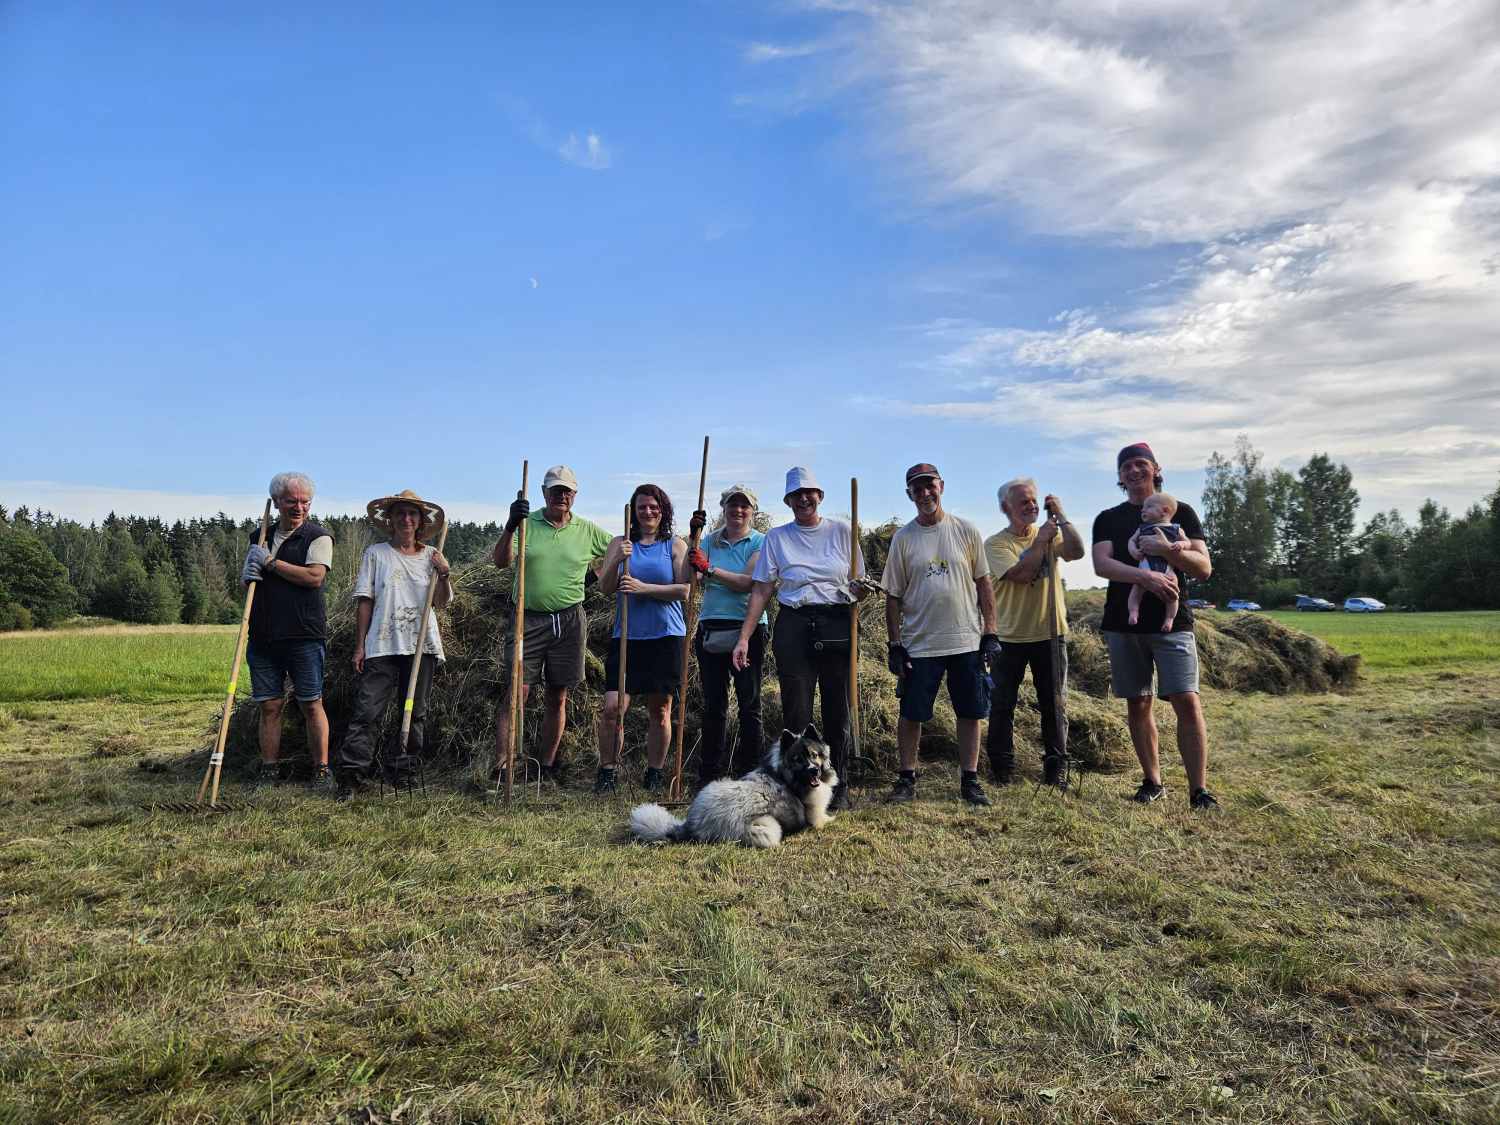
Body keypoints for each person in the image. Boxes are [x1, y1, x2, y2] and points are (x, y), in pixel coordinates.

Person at [732, 467, 871, 811]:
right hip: (794, 623)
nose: (804, 499)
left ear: (819, 496)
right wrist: (744, 638)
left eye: (809, 493)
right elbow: (763, 588)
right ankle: (797, 788)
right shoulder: (778, 538)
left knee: (838, 709)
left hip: (838, 621)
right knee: (797, 710)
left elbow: (861, 585)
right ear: (789, 501)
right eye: (796, 495)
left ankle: (837, 787)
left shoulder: (842, 531)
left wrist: (859, 589)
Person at [1092, 443, 1218, 810]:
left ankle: (1199, 790)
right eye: (1126, 466)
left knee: (1186, 699)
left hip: (1172, 622)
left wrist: (1168, 551)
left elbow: (1203, 567)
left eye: (1140, 464)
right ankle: (1153, 781)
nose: (1133, 471)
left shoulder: (1182, 514)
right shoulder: (1108, 518)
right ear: (1119, 476)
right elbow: (1103, 565)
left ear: (1155, 469)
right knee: (1138, 701)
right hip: (1123, 622)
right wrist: (1144, 579)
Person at [881, 464, 998, 806]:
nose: (924, 493)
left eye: (929, 486)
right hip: (920, 643)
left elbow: (984, 584)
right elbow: (892, 596)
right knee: (912, 712)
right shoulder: (903, 539)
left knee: (970, 711)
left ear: (941, 486)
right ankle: (906, 778)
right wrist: (894, 644)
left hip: (965, 640)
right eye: (916, 489)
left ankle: (970, 780)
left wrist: (990, 632)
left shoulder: (965, 530)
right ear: (909, 495)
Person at [491, 465, 613, 788]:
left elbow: (618, 548)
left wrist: (598, 575)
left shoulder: (587, 531)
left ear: (574, 496)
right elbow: (501, 561)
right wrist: (510, 525)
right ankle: (503, 766)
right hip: (526, 618)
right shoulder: (527, 525)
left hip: (570, 620)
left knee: (558, 696)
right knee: (518, 691)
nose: (561, 496)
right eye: (555, 490)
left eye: (567, 491)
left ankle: (546, 766)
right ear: (544, 493)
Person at [337, 490, 452, 801]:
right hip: (382, 644)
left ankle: (404, 771)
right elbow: (365, 601)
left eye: (412, 514)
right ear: (390, 519)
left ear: (420, 521)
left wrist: (443, 574)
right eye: (400, 513)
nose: (406, 519)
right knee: (367, 711)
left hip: (421, 646)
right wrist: (359, 645)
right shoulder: (376, 554)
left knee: (414, 712)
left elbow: (439, 604)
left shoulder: (432, 557)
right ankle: (351, 776)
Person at [984, 478, 1087, 787]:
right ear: (1006, 508)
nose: (1030, 506)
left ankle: (1056, 770)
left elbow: (1078, 551)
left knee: (1054, 705)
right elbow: (1022, 574)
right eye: (1022, 501)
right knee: (1002, 705)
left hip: (1050, 634)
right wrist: (1041, 541)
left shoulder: (1051, 534)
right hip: (1009, 637)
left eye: (1033, 500)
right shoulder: (995, 544)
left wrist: (1062, 516)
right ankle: (1002, 769)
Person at [595, 483, 689, 794]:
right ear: (633, 512)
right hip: (628, 636)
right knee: (613, 708)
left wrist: (643, 588)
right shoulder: (620, 543)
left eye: (654, 507)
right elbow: (605, 588)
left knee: (660, 709)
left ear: (663, 511)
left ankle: (654, 774)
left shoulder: (674, 546)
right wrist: (615, 561)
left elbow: (684, 590)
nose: (648, 512)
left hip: (666, 635)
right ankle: (607, 772)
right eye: (642, 507)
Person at [241, 471, 334, 787]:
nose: (299, 507)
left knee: (311, 703)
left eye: (305, 501)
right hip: (264, 636)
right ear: (277, 502)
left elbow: (314, 578)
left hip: (304, 635)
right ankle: (269, 770)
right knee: (270, 705)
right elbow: (249, 585)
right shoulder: (259, 537)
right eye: (291, 501)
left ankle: (321, 771)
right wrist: (249, 572)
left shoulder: (317, 537)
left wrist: (271, 564)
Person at [686, 484, 767, 785]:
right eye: (733, 505)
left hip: (748, 629)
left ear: (752, 510)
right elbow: (689, 576)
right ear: (724, 508)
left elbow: (748, 582)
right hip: (711, 628)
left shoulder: (761, 541)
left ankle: (752, 773)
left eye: (744, 505)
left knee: (749, 703)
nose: (738, 510)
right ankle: (710, 774)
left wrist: (711, 571)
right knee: (714, 704)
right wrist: (692, 537)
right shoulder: (709, 540)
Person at [1127, 492, 1184, 631]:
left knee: (1173, 595)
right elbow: (1131, 541)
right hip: (1145, 568)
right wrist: (1133, 550)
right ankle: (1134, 611)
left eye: (1149, 507)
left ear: (1165, 511)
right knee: (1135, 591)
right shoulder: (1142, 528)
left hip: (1167, 570)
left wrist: (1181, 545)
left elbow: (1187, 542)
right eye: (1143, 507)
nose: (1143, 510)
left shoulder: (1175, 529)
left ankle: (1169, 618)